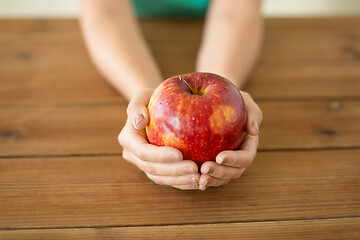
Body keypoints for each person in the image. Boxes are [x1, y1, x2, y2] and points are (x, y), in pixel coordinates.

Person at [79, 0, 263, 191]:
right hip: (132, 30)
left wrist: (228, 93)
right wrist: (147, 101)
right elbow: (107, 12)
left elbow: (235, 11)